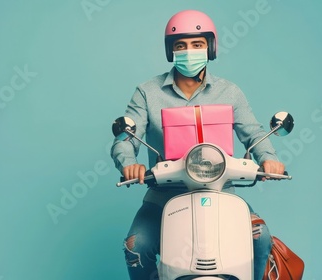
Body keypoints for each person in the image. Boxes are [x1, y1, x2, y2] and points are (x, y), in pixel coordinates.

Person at [110, 9, 285, 280]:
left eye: (197, 44)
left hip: (221, 194)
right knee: (137, 246)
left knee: (260, 238)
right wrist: (129, 164)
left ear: (210, 47)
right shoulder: (148, 92)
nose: (189, 51)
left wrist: (268, 158)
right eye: (180, 45)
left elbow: (253, 132)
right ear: (170, 51)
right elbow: (125, 137)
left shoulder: (229, 92)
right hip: (163, 197)